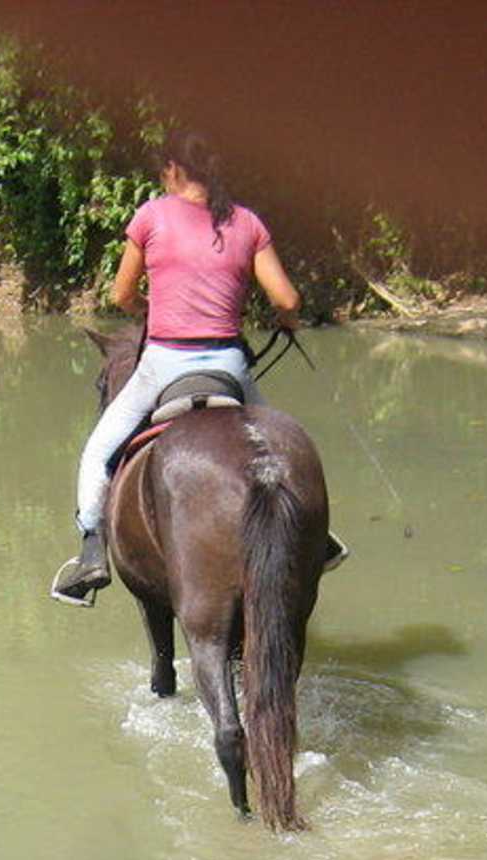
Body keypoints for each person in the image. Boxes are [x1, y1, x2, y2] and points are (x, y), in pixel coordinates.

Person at [50, 132, 343, 605]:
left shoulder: (150, 216)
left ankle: (90, 553)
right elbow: (287, 300)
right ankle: (315, 539)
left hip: (163, 364)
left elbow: (120, 295)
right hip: (230, 366)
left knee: (98, 451)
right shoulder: (246, 222)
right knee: (277, 453)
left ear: (173, 169)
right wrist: (286, 322)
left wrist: (151, 309)